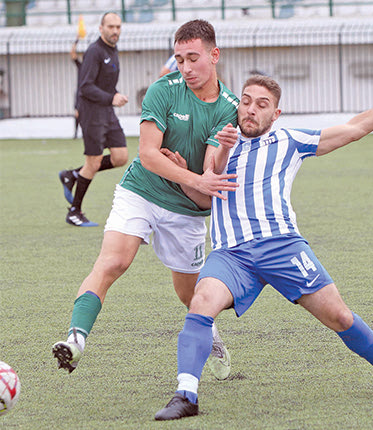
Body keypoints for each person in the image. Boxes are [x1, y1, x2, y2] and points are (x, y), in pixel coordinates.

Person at [155, 74, 373, 421]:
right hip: (231, 254)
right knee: (201, 302)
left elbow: (357, 127)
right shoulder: (220, 139)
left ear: (276, 114)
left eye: (261, 104)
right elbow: (206, 194)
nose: (250, 110)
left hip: (283, 247)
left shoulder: (290, 140)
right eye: (246, 101)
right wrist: (185, 175)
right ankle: (186, 395)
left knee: (341, 316)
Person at [52, 20, 239, 381]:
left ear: (214, 56)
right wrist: (193, 176)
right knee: (112, 262)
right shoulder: (162, 90)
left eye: (193, 58)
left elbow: (208, 174)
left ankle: (211, 334)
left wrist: (196, 176)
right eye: (179, 58)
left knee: (191, 295)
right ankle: (75, 340)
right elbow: (150, 155)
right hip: (141, 190)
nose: (185, 68)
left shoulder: (228, 108)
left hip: (187, 210)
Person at [58, 12, 129, 227]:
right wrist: (112, 97)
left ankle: (72, 175)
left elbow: (104, 83)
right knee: (94, 161)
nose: (115, 30)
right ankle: (74, 211)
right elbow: (86, 87)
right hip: (91, 112)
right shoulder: (94, 51)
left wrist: (114, 95)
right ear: (101, 28)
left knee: (120, 157)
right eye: (110, 26)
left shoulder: (112, 50)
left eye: (118, 26)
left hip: (107, 111)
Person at [70, 39, 82, 139]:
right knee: (77, 114)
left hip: (91, 94)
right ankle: (76, 133)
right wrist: (76, 41)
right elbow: (73, 54)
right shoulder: (81, 66)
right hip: (80, 93)